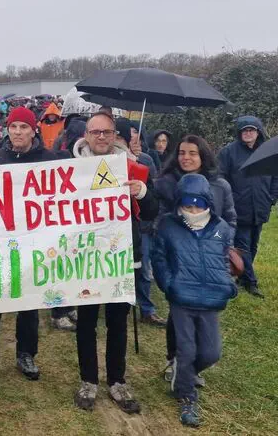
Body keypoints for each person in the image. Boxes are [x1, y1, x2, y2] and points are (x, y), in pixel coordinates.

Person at [68, 112, 159, 415]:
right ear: (86, 135)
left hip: (121, 258)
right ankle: (88, 380)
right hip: (86, 259)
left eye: (107, 132)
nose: (101, 137)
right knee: (86, 322)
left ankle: (117, 380)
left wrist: (141, 192)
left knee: (117, 322)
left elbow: (152, 211)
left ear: (115, 135)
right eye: (95, 132)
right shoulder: (70, 168)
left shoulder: (133, 167)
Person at [0, 107, 57, 383]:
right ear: (8, 129)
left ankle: (26, 354)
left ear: (34, 130)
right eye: (14, 126)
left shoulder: (47, 159)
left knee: (29, 303)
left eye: (24, 127)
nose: (18, 132)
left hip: (32, 242)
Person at [152, 174, 237, 427]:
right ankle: (187, 396)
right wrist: (169, 284)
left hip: (210, 298)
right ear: (179, 203)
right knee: (187, 349)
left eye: (198, 206)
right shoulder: (168, 225)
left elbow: (223, 258)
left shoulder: (221, 228)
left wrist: (226, 282)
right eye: (187, 206)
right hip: (182, 298)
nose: (192, 211)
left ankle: (184, 372)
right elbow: (159, 258)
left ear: (208, 203)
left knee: (211, 353)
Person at [154, 135, 237, 381]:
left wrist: (223, 243)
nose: (186, 158)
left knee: (204, 319)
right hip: (179, 259)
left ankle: (191, 366)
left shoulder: (220, 185)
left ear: (203, 156)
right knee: (178, 317)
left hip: (209, 260)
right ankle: (176, 360)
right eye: (181, 152)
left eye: (192, 153)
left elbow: (230, 217)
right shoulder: (166, 182)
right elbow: (158, 216)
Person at [217, 116, 278, 298]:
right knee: (243, 245)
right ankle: (250, 282)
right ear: (239, 133)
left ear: (258, 132)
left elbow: (277, 177)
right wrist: (229, 199)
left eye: (251, 130)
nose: (248, 133)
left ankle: (242, 274)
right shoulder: (228, 152)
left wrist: (272, 198)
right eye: (244, 130)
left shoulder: (268, 152)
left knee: (253, 245)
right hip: (238, 208)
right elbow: (220, 176)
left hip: (261, 207)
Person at [113, 118, 162, 330]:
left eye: (118, 137)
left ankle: (146, 309)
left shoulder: (144, 162)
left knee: (143, 270)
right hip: (112, 232)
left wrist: (141, 191)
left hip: (139, 228)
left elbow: (153, 201)